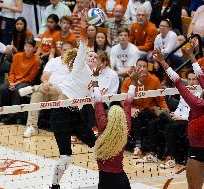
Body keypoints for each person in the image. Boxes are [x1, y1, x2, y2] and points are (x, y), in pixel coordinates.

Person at [152, 47, 204, 189]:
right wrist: (192, 56)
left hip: (198, 152)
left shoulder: (197, 103)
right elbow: (200, 76)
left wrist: (163, 61)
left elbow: (177, 81)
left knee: (193, 188)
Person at [49, 41, 97, 189]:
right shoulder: (79, 66)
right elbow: (83, 43)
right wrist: (83, 20)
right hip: (60, 115)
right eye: (89, 55)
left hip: (75, 115)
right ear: (82, 58)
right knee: (66, 158)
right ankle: (54, 185)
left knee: (97, 146)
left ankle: (108, 176)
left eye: (95, 56)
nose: (92, 57)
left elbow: (95, 99)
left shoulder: (93, 77)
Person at [92, 65, 141, 189]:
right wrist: (133, 82)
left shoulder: (103, 125)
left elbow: (98, 101)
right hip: (120, 178)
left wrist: (95, 77)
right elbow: (128, 104)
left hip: (104, 179)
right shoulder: (126, 129)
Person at [121, 58, 169, 159]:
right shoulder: (128, 80)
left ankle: (138, 146)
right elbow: (123, 100)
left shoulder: (154, 80)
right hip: (135, 109)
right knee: (135, 115)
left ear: (148, 69)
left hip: (149, 110)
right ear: (135, 67)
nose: (142, 68)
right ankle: (138, 146)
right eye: (139, 66)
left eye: (144, 66)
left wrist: (167, 112)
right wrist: (131, 109)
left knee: (142, 113)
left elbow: (160, 100)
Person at [23, 42, 72, 138]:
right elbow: (44, 76)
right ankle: (31, 126)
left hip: (62, 93)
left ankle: (34, 87)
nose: (66, 52)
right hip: (47, 89)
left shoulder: (74, 64)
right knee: (36, 94)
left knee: (58, 88)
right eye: (64, 50)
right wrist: (45, 82)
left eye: (69, 50)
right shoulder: (53, 61)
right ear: (60, 51)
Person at [0, 39, 40, 124]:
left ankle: (13, 117)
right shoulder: (17, 56)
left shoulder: (36, 60)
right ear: (24, 47)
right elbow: (12, 72)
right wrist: (11, 82)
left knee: (18, 91)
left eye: (30, 47)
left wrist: (16, 83)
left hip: (26, 82)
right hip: (13, 81)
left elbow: (30, 78)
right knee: (2, 89)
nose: (28, 48)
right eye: (26, 46)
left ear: (34, 49)